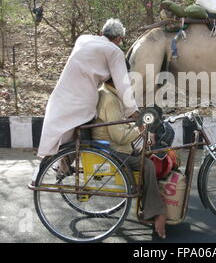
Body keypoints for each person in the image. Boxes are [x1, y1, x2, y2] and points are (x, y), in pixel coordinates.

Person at [31, 19, 139, 181]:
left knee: (72, 135)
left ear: (102, 33)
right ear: (119, 39)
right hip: (83, 99)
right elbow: (123, 86)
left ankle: (63, 166)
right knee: (85, 136)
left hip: (61, 95)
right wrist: (135, 114)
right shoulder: (114, 51)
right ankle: (93, 170)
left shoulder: (83, 39)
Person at [92, 78, 168, 239]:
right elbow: (119, 136)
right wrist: (141, 130)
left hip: (112, 146)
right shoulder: (109, 99)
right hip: (112, 151)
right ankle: (156, 213)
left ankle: (149, 207)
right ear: (114, 78)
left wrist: (139, 129)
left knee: (149, 155)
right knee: (147, 165)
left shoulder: (108, 93)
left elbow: (120, 126)